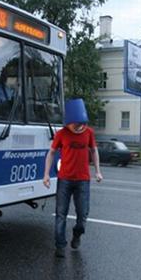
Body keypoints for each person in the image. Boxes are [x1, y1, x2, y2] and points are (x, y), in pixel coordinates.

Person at [43, 98, 103, 258]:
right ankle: (60, 246)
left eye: (80, 123)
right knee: (60, 214)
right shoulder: (61, 134)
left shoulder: (89, 132)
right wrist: (46, 174)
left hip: (83, 180)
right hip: (65, 180)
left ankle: (77, 234)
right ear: (68, 121)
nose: (78, 126)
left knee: (83, 215)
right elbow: (51, 153)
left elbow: (94, 151)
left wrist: (98, 171)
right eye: (74, 123)